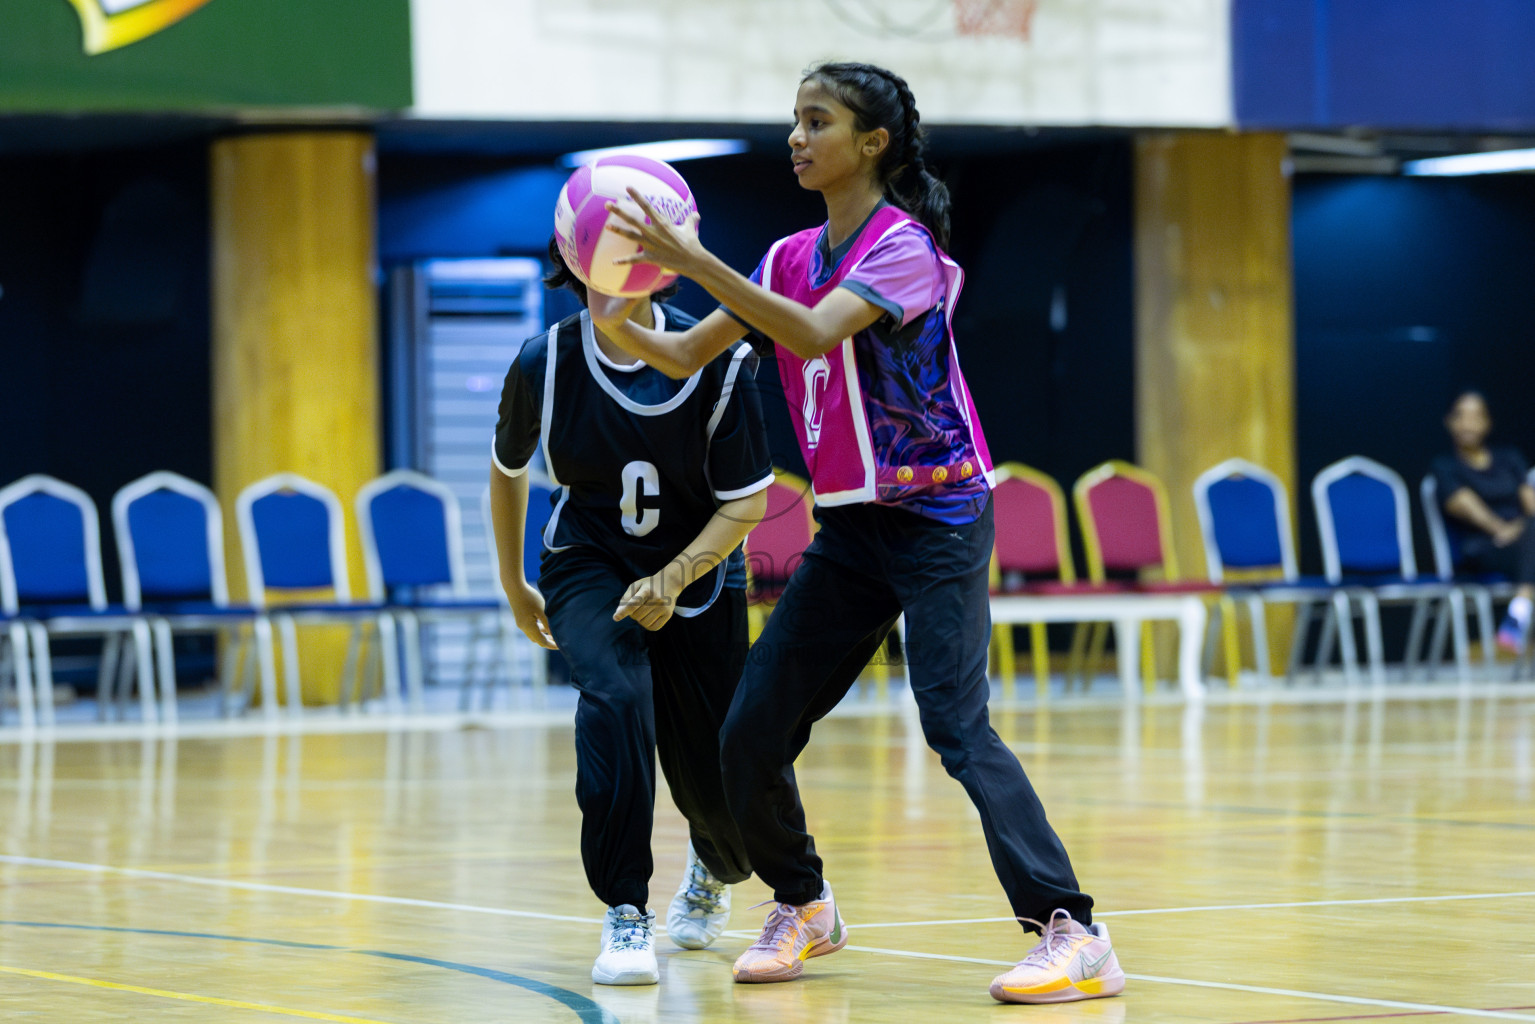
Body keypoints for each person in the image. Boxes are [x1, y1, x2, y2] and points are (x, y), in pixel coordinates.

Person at [589, 61, 1123, 1004]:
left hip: (939, 515)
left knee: (954, 725)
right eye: (793, 120)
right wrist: (610, 301)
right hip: (850, 529)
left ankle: (1071, 930)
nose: (795, 136)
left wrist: (688, 260)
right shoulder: (786, 255)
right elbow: (676, 354)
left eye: (816, 121)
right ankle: (804, 902)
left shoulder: (904, 247)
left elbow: (805, 335)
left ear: (871, 143)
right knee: (747, 731)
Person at [489, 237, 774, 985]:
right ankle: (624, 911)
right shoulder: (541, 362)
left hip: (700, 569)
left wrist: (675, 578)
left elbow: (747, 501)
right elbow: (507, 468)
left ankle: (716, 861)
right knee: (612, 702)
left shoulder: (720, 358)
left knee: (718, 768)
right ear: (575, 262)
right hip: (588, 562)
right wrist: (515, 582)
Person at [1431, 390, 1535, 652]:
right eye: (1461, 416)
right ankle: (1519, 616)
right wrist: (1500, 528)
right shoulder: (1446, 466)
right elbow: (1462, 503)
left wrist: (1519, 529)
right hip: (1482, 546)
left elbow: (1530, 504)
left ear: (1488, 422)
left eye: (1476, 416)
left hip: (1524, 538)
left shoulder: (1509, 459)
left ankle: (1520, 609)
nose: (1468, 424)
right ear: (1449, 421)